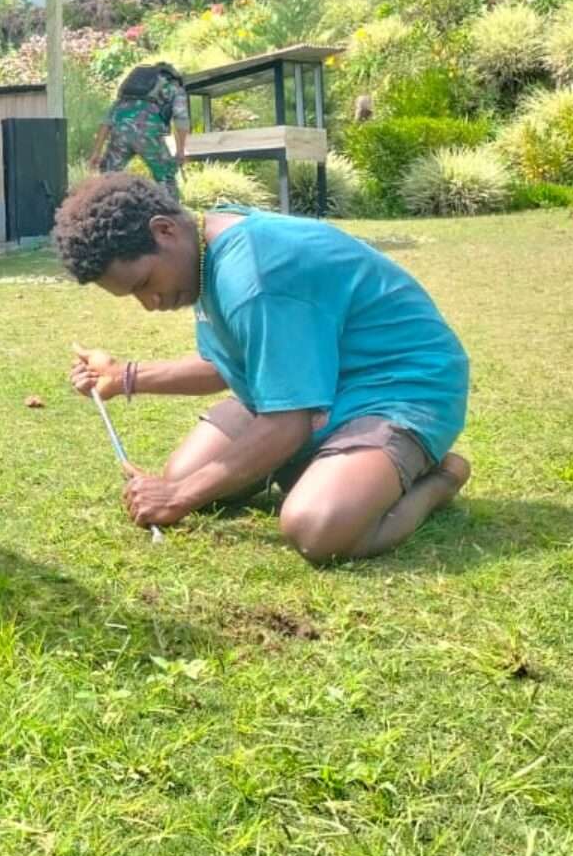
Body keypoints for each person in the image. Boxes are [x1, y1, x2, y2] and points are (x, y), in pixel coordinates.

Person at [52, 174, 471, 564]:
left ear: (164, 231)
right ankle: (334, 468)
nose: (150, 304)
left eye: (144, 283)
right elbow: (226, 364)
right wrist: (124, 376)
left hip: (401, 388)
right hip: (318, 387)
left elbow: (288, 422)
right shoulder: (203, 248)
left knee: (316, 528)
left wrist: (178, 498)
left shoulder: (254, 275)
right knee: (188, 474)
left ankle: (438, 480)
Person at [88, 62, 191, 196]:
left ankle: (102, 210)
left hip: (120, 131)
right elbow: (181, 119)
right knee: (165, 177)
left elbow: (107, 120)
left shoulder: (130, 90)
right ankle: (170, 214)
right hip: (148, 133)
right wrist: (181, 150)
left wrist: (96, 152)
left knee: (108, 177)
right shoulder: (174, 88)